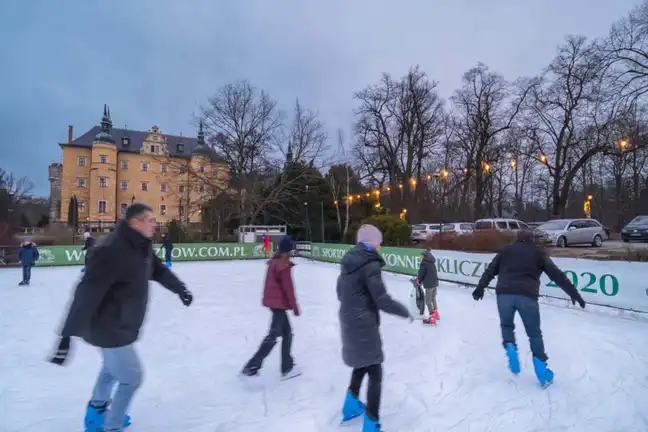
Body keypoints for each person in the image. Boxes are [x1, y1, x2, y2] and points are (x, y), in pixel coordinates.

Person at [48, 203, 194, 432]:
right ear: (135, 222)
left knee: (110, 369)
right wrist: (66, 335)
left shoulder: (141, 246)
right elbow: (86, 293)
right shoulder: (112, 250)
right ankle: (112, 426)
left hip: (120, 323)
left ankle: (95, 415)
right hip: (109, 327)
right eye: (150, 220)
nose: (155, 224)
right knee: (131, 378)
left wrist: (180, 289)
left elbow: (158, 270)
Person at [471, 229, 586, 388]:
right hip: (527, 296)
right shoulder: (538, 252)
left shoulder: (506, 251)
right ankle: (542, 372)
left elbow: (490, 270)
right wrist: (574, 293)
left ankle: (510, 347)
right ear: (532, 239)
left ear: (517, 239)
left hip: (504, 294)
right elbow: (556, 275)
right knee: (534, 334)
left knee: (506, 325)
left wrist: (480, 287)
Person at [337, 224, 411, 432]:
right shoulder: (370, 265)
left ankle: (351, 405)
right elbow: (382, 300)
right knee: (375, 372)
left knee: (361, 364)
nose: (381, 246)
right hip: (363, 324)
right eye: (379, 242)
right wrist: (405, 311)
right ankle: (371, 424)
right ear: (372, 242)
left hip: (348, 320)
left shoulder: (348, 262)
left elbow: (340, 293)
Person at [241, 235, 301, 379]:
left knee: (287, 334)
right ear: (288, 251)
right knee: (273, 336)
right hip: (278, 305)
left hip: (274, 303)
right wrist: (295, 307)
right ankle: (252, 366)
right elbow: (288, 289)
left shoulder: (274, 262)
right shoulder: (283, 265)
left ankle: (287, 365)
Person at [415, 246, 439, 324]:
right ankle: (436, 313)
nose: (420, 258)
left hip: (429, 284)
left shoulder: (424, 263)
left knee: (428, 301)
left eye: (421, 256)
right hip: (435, 283)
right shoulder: (431, 262)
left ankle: (432, 316)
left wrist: (418, 280)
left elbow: (421, 273)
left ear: (424, 256)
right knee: (433, 298)